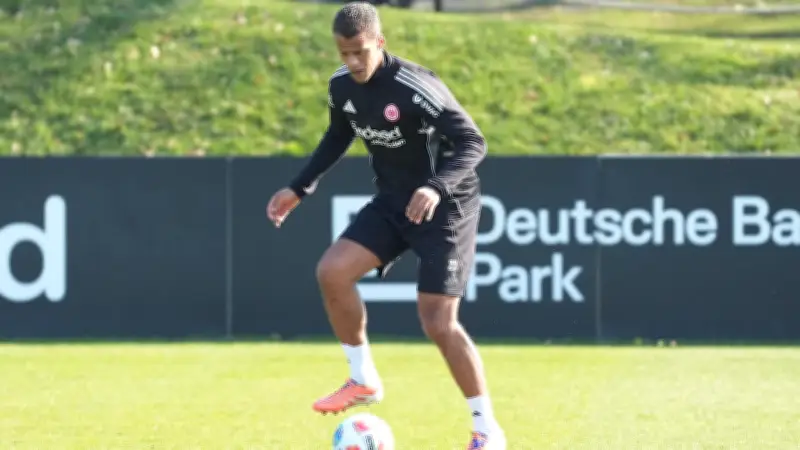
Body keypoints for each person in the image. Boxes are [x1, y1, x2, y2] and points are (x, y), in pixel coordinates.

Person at [266, 2, 505, 449]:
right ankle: (363, 379)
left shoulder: (416, 85)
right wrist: (300, 188)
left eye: (360, 51)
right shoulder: (342, 86)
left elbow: (473, 141)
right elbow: (338, 135)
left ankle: (487, 430)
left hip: (446, 206)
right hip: (395, 202)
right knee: (332, 272)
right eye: (344, 53)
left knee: (438, 321)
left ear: (380, 42)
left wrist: (436, 186)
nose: (353, 62)